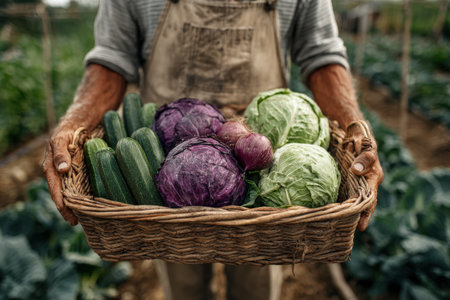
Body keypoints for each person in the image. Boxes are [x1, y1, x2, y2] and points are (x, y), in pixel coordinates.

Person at [42, 0, 384, 299]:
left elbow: (322, 54)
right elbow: (111, 59)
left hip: (267, 196)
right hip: (167, 197)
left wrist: (355, 127)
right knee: (183, 286)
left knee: (257, 285)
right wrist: (74, 124)